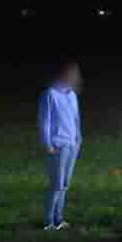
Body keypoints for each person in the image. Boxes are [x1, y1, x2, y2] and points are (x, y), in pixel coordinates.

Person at [37, 62, 83, 230]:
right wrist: (47, 143)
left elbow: (76, 119)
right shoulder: (50, 94)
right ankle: (48, 221)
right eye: (72, 74)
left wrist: (79, 138)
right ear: (63, 75)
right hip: (58, 145)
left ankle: (59, 219)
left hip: (72, 144)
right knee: (56, 184)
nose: (76, 77)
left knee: (65, 184)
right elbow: (44, 121)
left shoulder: (72, 95)